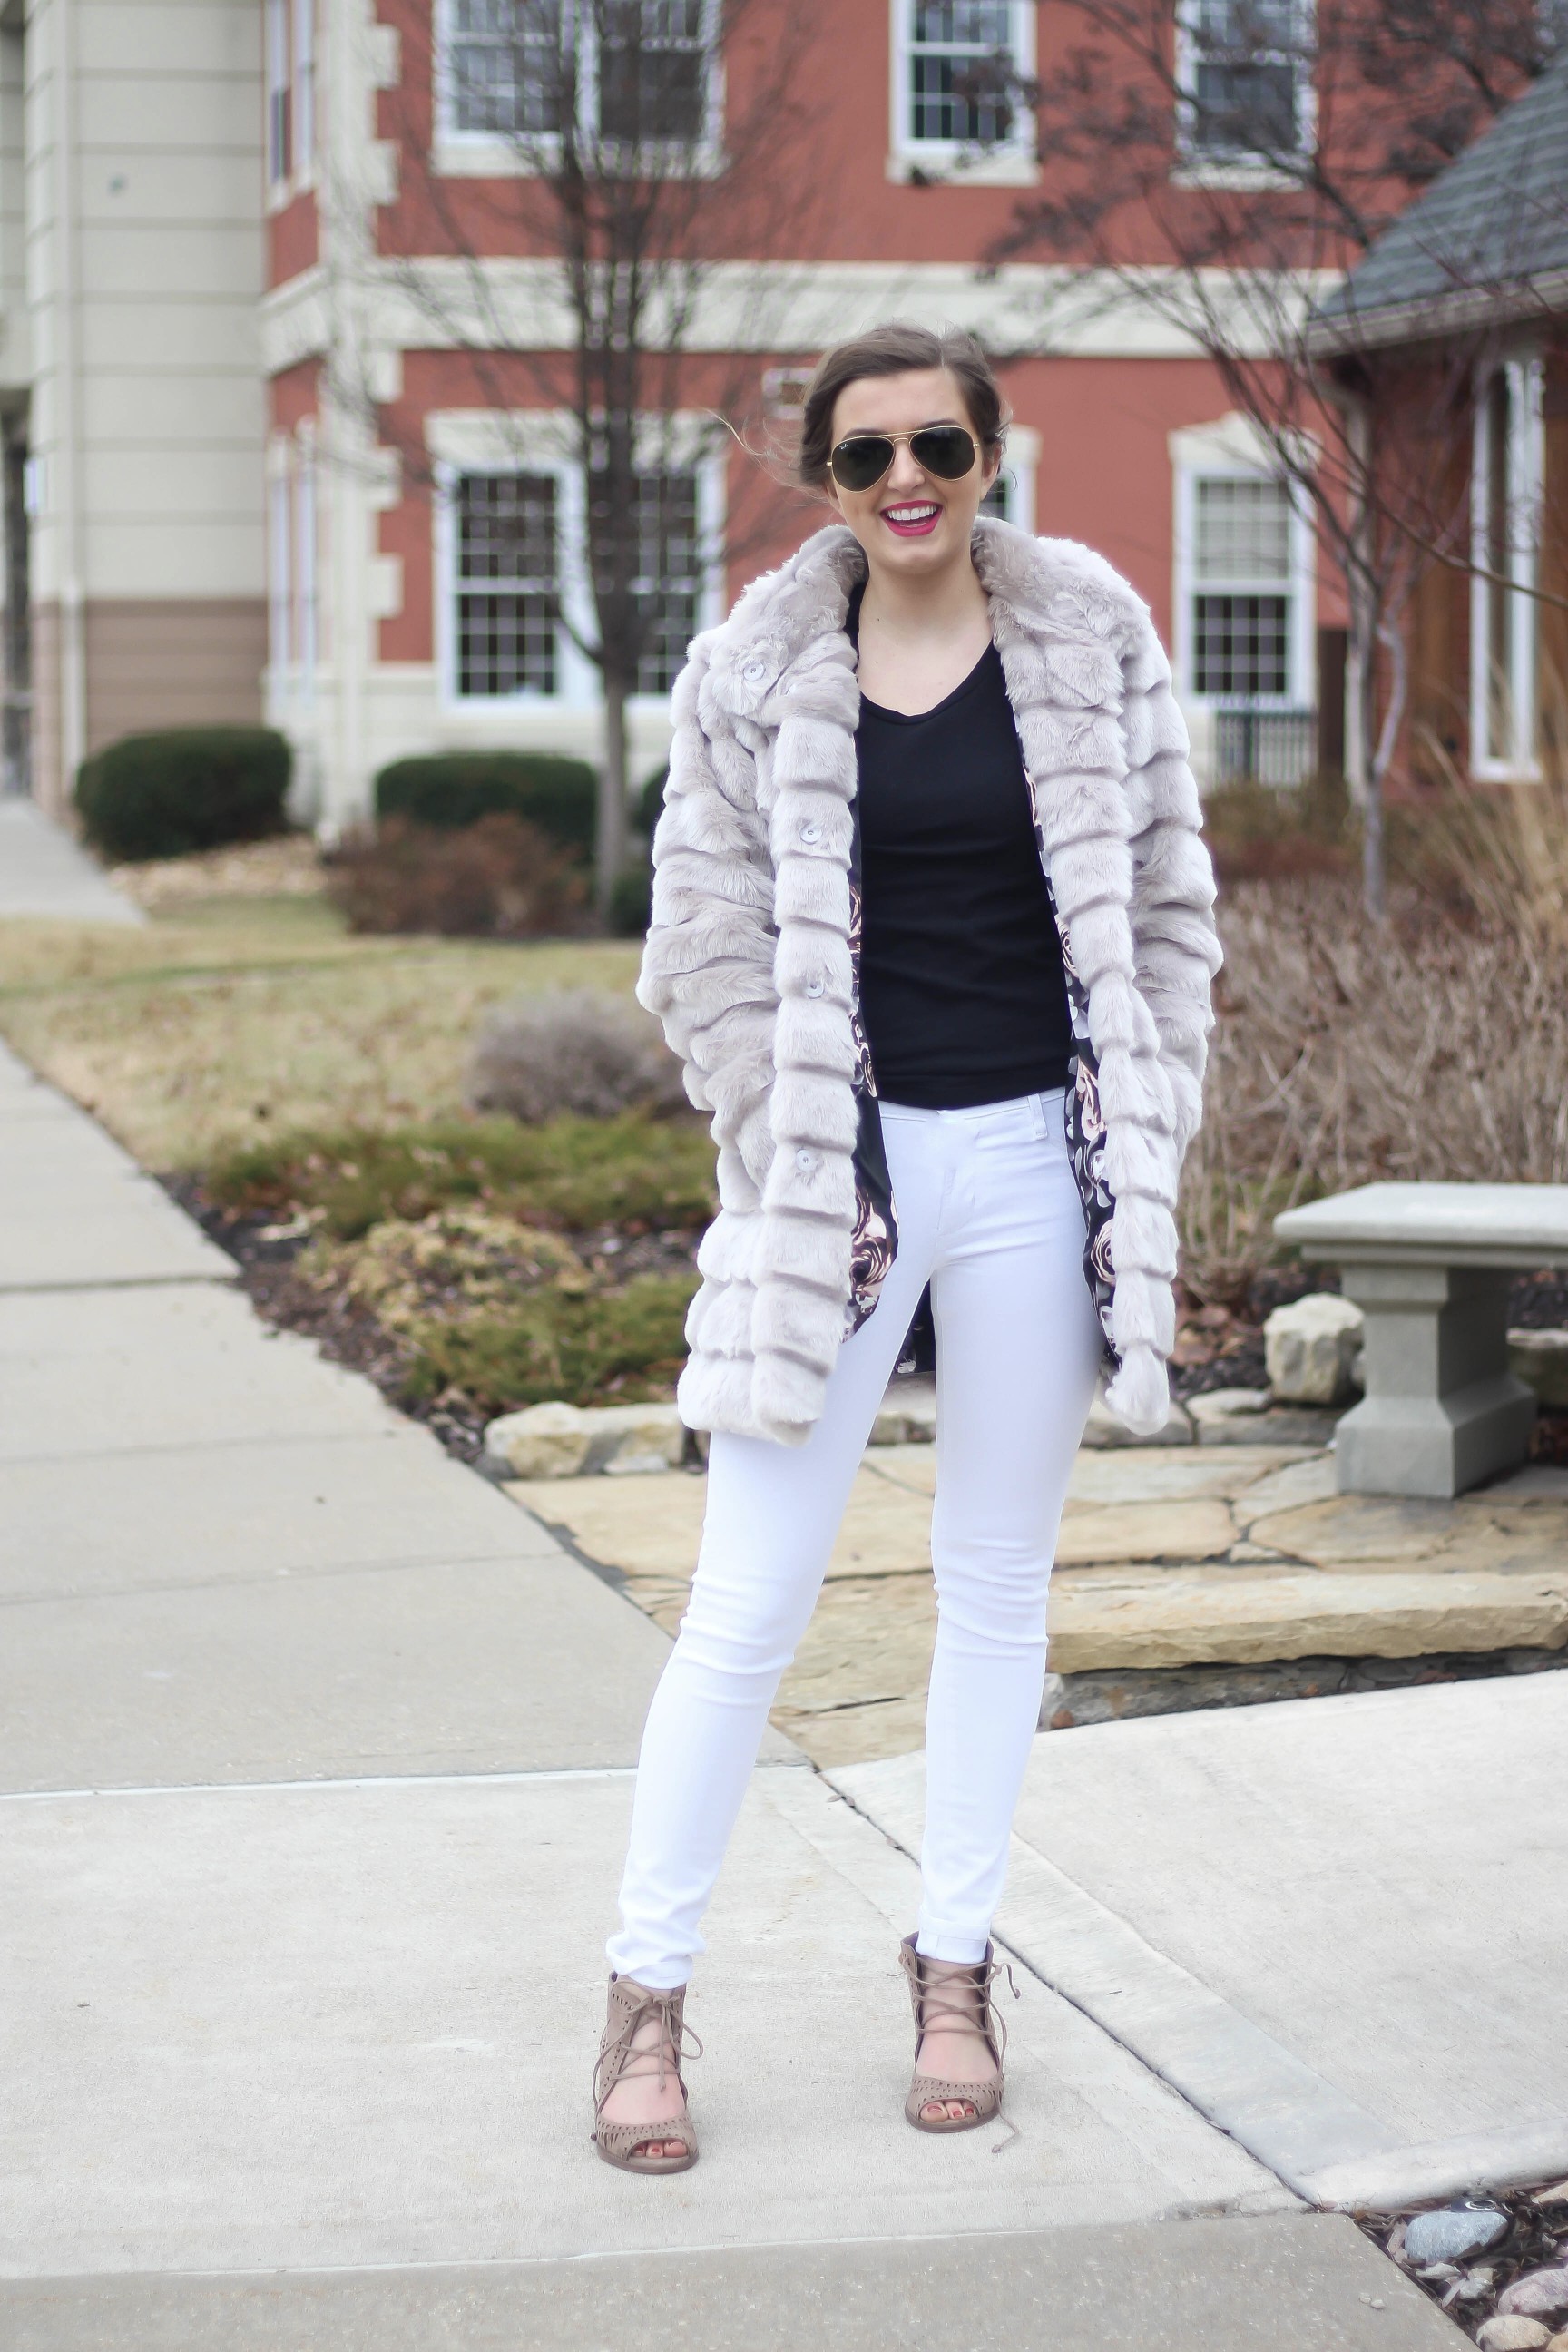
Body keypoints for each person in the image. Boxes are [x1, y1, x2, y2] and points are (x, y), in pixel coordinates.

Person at [592, 321, 1220, 2173]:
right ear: (826, 479)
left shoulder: (1094, 636)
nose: (904, 478)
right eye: (865, 455)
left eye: (935, 441)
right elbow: (693, 924)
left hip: (1037, 1154)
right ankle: (647, 1995)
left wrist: (1150, 1099)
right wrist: (769, 1110)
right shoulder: (759, 667)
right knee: (747, 1607)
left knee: (995, 1585)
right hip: (831, 1185)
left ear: (990, 450)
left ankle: (955, 1963)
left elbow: (1171, 901)